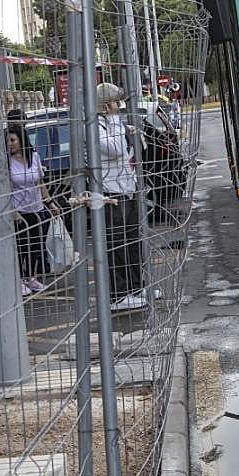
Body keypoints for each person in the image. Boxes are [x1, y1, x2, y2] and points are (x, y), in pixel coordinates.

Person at [96, 82, 145, 311]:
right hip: (110, 192)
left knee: (132, 241)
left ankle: (136, 286)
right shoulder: (97, 126)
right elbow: (115, 148)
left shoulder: (114, 124)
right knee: (117, 245)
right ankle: (117, 294)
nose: (120, 106)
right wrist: (117, 123)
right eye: (116, 103)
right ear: (105, 106)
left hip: (126, 188)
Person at [7, 125, 59, 296]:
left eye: (13, 140)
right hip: (19, 211)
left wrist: (50, 203)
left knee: (36, 246)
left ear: (22, 140)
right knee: (22, 246)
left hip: (37, 208)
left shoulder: (34, 157)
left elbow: (40, 183)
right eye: (8, 140)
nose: (10, 144)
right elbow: (5, 189)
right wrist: (13, 212)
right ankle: (20, 279)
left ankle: (31, 278)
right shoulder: (7, 161)